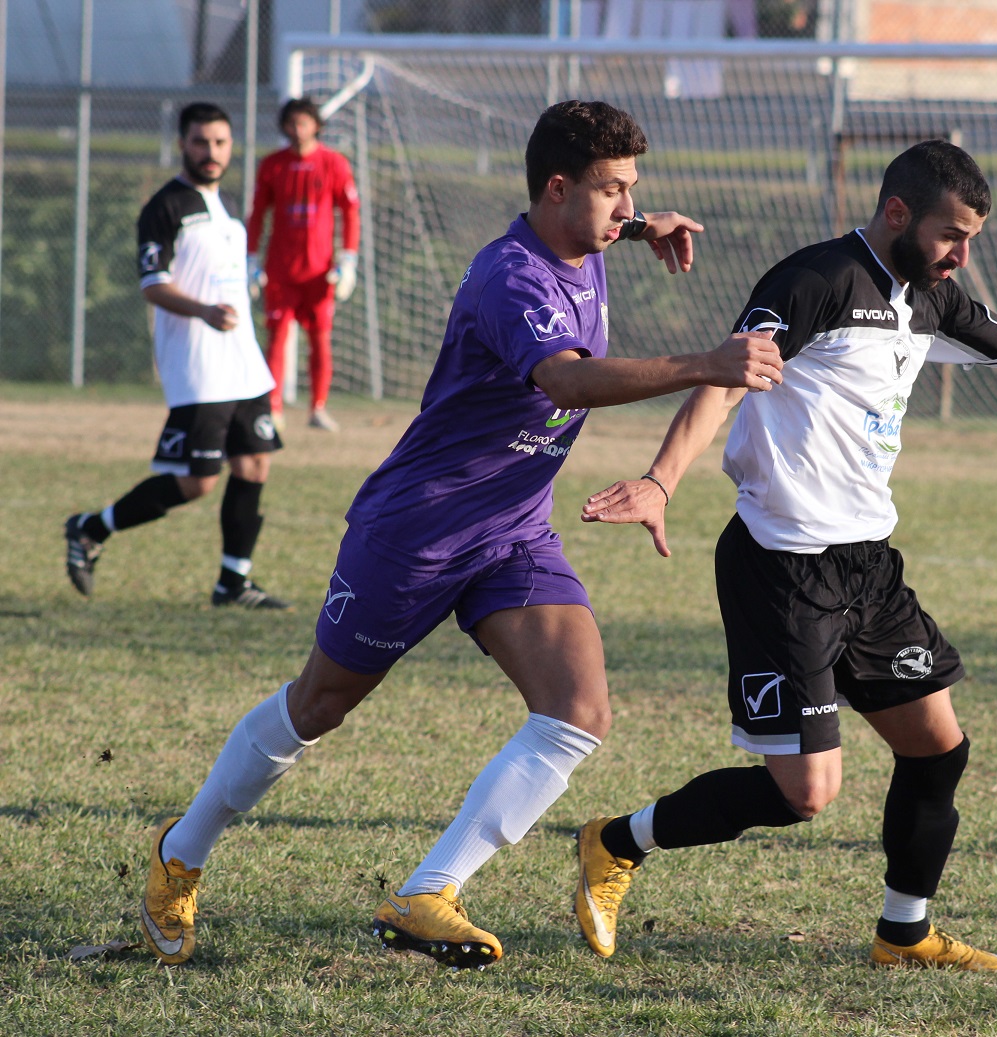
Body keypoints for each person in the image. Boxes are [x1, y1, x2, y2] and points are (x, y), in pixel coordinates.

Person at [572, 140, 997, 972]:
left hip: (868, 567)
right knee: (806, 793)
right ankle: (617, 841)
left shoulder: (930, 296)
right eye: (950, 235)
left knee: (938, 747)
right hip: (782, 567)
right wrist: (660, 480)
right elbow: (726, 375)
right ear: (897, 212)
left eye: (970, 239)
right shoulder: (817, 279)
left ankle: (904, 933)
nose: (960, 255)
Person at [136, 99, 784, 968]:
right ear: (558, 189)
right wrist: (707, 363)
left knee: (579, 709)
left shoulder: (583, 237)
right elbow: (567, 380)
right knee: (319, 704)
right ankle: (181, 849)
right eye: (614, 190)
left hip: (512, 530)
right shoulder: (511, 278)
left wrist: (635, 225)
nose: (629, 205)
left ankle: (426, 893)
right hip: (418, 529)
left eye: (634, 188)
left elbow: (598, 237)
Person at [64, 102, 290, 610]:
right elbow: (153, 284)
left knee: (254, 464)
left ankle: (233, 583)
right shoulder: (164, 207)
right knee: (196, 482)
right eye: (200, 142)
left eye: (220, 142)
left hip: (243, 362)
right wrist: (204, 311)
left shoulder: (225, 202)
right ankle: (90, 528)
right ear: (182, 144)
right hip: (199, 366)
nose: (211, 152)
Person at [246, 95, 361, 432]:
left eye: (303, 122)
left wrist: (348, 259)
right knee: (277, 338)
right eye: (291, 123)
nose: (297, 130)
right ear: (284, 126)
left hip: (319, 272)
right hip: (280, 270)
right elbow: (257, 214)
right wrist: (251, 258)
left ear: (316, 125)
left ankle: (318, 408)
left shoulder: (334, 163)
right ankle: (273, 408)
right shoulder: (272, 165)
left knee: (320, 339)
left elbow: (350, 213)